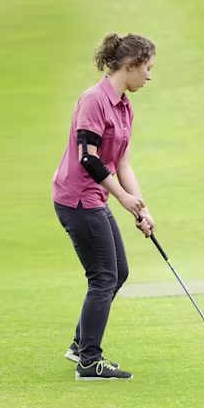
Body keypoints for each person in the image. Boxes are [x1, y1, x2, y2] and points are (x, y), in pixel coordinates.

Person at [52, 33, 156, 380]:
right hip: (78, 198)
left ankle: (80, 344)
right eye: (147, 68)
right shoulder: (94, 100)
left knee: (118, 273)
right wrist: (123, 198)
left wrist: (141, 207)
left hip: (96, 196)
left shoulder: (125, 105)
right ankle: (89, 361)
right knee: (103, 278)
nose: (149, 76)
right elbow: (89, 160)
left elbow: (123, 165)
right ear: (130, 65)